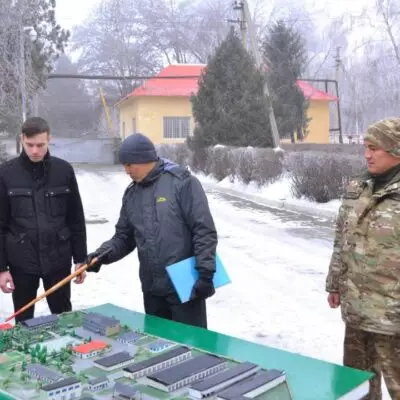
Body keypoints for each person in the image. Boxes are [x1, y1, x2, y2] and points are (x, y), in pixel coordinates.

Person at [85, 133, 217, 328]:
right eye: (124, 165)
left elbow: (203, 230)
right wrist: (100, 257)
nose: (126, 170)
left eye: (129, 164)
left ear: (144, 159)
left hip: (185, 285)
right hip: (152, 288)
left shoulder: (182, 183)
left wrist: (205, 274)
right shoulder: (132, 194)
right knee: (158, 347)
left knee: (191, 347)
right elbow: (124, 237)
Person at [326, 118, 400, 400]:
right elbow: (341, 238)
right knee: (357, 387)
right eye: (365, 148)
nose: (366, 154)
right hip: (357, 310)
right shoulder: (359, 187)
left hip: (393, 317)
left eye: (374, 148)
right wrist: (335, 283)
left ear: (396, 149)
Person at [0, 117, 87, 322]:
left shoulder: (64, 171)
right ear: (22, 139)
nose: (35, 151)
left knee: (64, 319)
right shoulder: (6, 173)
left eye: (41, 145)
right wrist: (2, 268)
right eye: (30, 145)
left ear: (49, 139)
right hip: (21, 262)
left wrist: (81, 259)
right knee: (24, 321)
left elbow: (76, 217)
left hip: (58, 260)